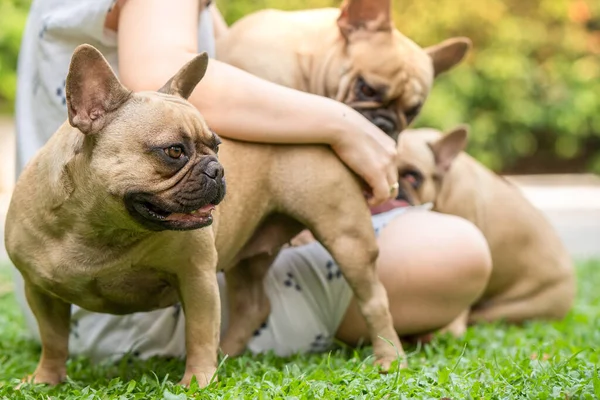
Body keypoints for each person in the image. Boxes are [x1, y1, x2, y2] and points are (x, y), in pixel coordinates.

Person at [12, 0, 492, 362]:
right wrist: (343, 122)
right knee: (458, 248)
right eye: (367, 90)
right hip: (130, 307)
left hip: (64, 291)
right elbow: (155, 73)